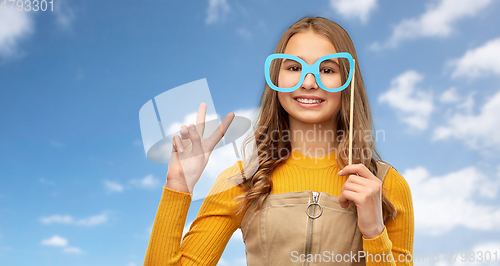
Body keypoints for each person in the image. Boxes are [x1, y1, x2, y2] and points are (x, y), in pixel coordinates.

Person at [143, 16, 414, 266]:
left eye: (327, 69)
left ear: (348, 82)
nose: (309, 81)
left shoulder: (386, 185)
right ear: (276, 79)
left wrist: (374, 232)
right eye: (294, 67)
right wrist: (177, 186)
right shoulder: (242, 180)